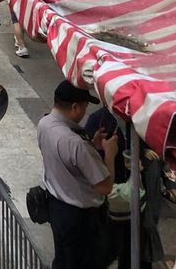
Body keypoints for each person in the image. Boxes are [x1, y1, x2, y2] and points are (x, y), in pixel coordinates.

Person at [38, 81, 118, 269]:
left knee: (63, 261)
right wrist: (110, 154)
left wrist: (92, 144)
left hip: (56, 207)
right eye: (84, 106)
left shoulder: (44, 123)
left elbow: (66, 161)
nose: (85, 112)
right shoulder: (76, 144)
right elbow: (105, 186)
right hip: (79, 218)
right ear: (75, 107)